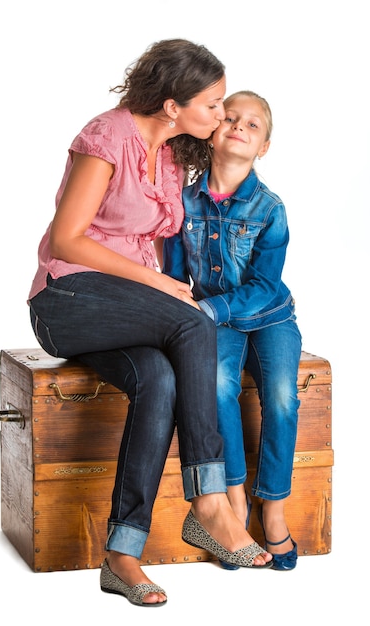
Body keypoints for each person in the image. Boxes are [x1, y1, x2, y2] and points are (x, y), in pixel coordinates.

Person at [27, 45, 273, 608]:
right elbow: (67, 239)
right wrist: (156, 284)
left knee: (159, 379)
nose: (220, 113)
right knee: (191, 323)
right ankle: (210, 501)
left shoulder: (170, 153)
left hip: (121, 308)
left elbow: (229, 176)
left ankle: (122, 554)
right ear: (171, 105)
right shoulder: (108, 136)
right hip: (65, 299)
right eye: (212, 105)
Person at [163, 90, 302, 572]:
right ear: (213, 132)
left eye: (254, 125)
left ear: (262, 147)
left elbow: (265, 285)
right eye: (231, 117)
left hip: (270, 318)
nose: (240, 126)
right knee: (217, 388)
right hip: (210, 321)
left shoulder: (270, 208)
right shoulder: (183, 201)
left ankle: (276, 508)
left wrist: (208, 309)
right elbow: (176, 274)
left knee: (283, 396)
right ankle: (235, 502)